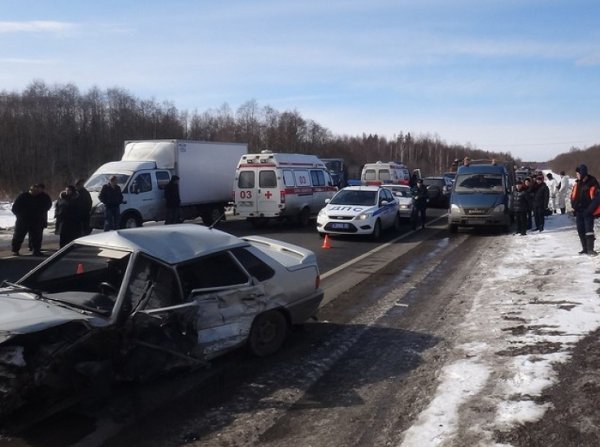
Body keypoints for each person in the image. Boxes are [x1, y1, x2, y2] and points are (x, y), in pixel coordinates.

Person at [570, 164, 600, 255]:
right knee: (580, 230)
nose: (577, 175)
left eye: (578, 174)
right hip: (579, 211)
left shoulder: (593, 183)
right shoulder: (578, 183)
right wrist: (574, 207)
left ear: (582, 173)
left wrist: (589, 211)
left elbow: (597, 199)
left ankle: (590, 249)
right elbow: (574, 197)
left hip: (588, 211)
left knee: (588, 231)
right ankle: (585, 248)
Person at [11, 185, 38, 256]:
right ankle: (15, 250)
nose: (34, 192)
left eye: (36, 191)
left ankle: (35, 249)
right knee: (19, 235)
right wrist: (19, 216)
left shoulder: (39, 197)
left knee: (35, 236)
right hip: (22, 220)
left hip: (34, 220)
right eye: (33, 190)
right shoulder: (23, 197)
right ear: (30, 190)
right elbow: (14, 208)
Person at [28, 182, 52, 255]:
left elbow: (48, 205)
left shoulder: (45, 196)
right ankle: (33, 247)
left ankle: (36, 248)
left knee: (38, 234)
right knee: (32, 233)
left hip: (40, 218)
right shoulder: (30, 195)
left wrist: (41, 210)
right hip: (32, 218)